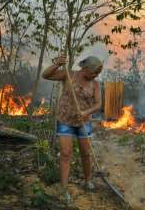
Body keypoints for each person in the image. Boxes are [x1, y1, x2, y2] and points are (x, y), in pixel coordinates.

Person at [42, 55, 103, 204]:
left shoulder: (95, 85)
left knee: (86, 153)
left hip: (84, 122)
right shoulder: (69, 75)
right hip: (65, 120)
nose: (96, 76)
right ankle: (64, 189)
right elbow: (46, 75)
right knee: (65, 154)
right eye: (94, 72)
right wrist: (57, 64)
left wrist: (85, 113)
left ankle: (88, 181)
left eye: (98, 74)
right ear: (85, 69)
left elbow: (98, 104)